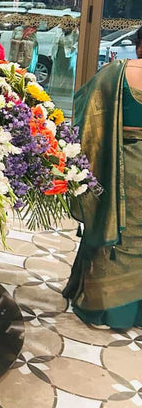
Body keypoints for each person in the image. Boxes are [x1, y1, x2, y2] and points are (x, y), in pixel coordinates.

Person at [63, 25, 142, 329]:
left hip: (120, 169)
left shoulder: (116, 74)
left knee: (113, 230)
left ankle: (105, 306)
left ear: (138, 45)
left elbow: (88, 118)